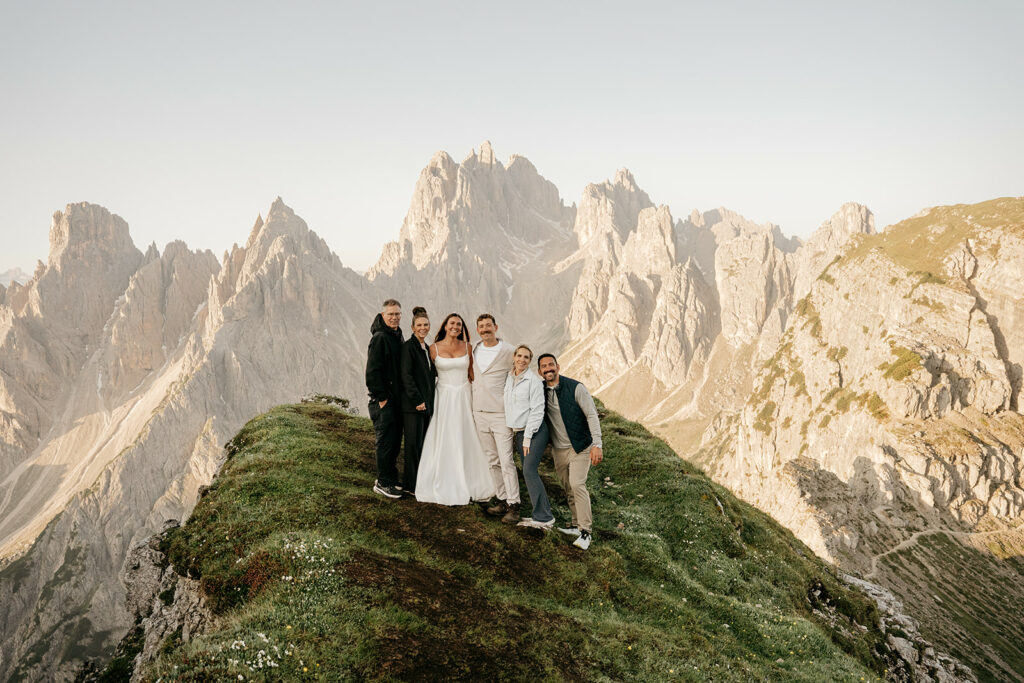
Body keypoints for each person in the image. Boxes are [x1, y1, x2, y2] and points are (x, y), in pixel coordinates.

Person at [415, 313, 496, 505]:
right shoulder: (433, 349)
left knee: (465, 434)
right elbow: (427, 376)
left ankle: (471, 479)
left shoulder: (468, 347)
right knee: (444, 435)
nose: (456, 327)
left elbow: (472, 375)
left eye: (459, 324)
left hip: (463, 395)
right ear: (445, 326)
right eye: (452, 323)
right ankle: (442, 479)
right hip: (443, 396)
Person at [537, 353, 603, 550]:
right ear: (539, 371)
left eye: (551, 365)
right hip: (558, 449)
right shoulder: (539, 391)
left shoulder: (576, 387)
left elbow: (591, 415)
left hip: (581, 447)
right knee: (567, 487)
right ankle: (575, 524)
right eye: (544, 366)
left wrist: (597, 444)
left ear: (558, 366)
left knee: (577, 484)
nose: (548, 369)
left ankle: (586, 532)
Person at [471, 314, 518, 521]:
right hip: (479, 412)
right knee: (492, 459)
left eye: (488, 325)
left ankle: (514, 504)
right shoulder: (473, 349)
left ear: (496, 327)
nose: (485, 329)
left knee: (507, 459)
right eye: (481, 326)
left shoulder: (508, 351)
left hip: (501, 413)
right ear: (477, 330)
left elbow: (520, 374)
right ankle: (501, 499)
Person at [503, 344, 553, 529]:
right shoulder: (509, 377)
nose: (522, 360)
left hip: (535, 431)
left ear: (530, 361)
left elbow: (537, 410)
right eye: (520, 356)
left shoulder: (533, 381)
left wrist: (527, 438)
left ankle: (544, 518)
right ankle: (542, 513)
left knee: (529, 471)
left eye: (526, 357)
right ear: (514, 357)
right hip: (518, 432)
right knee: (528, 471)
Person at [365, 299, 404, 499]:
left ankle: (390, 478)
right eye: (391, 314)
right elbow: (372, 372)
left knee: (394, 441)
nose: (395, 317)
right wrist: (382, 399)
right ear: (382, 315)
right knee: (386, 442)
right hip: (384, 402)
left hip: (394, 400)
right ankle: (383, 482)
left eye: (397, 314)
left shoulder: (395, 335)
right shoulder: (380, 337)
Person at [400, 306, 435, 496]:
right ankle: (409, 486)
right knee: (412, 445)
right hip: (413, 406)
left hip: (425, 406)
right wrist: (417, 400)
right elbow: (406, 376)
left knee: (422, 445)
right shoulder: (408, 347)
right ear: (413, 327)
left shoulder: (426, 348)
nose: (423, 328)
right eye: (419, 325)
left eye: (426, 324)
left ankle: (418, 483)